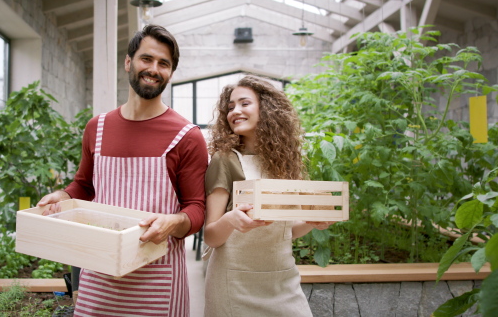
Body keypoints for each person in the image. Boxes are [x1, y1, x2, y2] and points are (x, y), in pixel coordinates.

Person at [38, 24, 208, 317]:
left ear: (170, 72)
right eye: (147, 59)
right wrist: (61, 195)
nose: (154, 69)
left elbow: (196, 210)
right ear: (128, 62)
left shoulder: (186, 136)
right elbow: (84, 187)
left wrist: (173, 221)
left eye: (164, 64)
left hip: (158, 279)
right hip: (99, 274)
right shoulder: (97, 128)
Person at [203, 75, 331, 317]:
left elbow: (286, 231)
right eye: (230, 107)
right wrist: (231, 219)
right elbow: (210, 236)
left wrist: (312, 223)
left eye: (244, 103)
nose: (235, 111)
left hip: (282, 279)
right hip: (235, 282)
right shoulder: (225, 160)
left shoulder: (286, 164)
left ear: (268, 109)